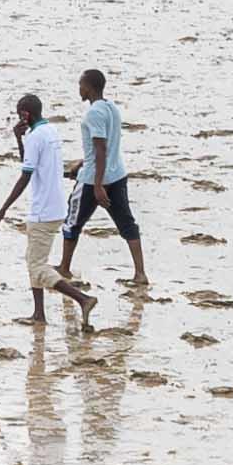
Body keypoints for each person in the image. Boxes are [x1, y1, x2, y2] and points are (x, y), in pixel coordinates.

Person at [0, 88, 94, 320]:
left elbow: (25, 174)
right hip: (56, 207)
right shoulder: (50, 130)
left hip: (43, 210)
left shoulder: (35, 137)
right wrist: (18, 138)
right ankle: (39, 313)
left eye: (19, 115)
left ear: (25, 115)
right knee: (34, 260)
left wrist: (3, 209)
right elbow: (30, 161)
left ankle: (82, 298)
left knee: (36, 266)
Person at [53, 65, 147, 294]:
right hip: (117, 175)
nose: (79, 88)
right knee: (126, 223)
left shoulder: (93, 113)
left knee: (72, 221)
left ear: (89, 87)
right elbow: (105, 146)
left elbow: (101, 148)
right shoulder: (111, 108)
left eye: (81, 85)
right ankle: (140, 273)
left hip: (94, 180)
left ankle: (64, 267)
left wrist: (96, 185)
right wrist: (82, 162)